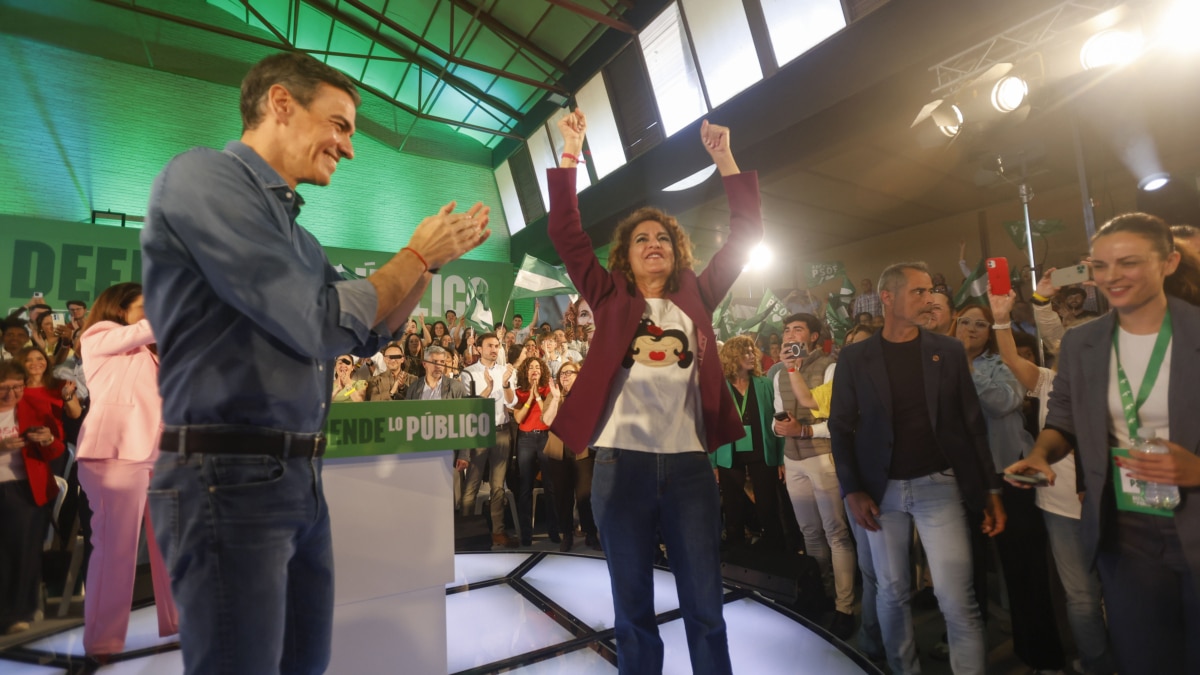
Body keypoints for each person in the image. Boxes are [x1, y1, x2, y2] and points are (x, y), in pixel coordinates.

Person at [140, 51, 489, 675]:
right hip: (228, 475)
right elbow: (312, 318)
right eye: (340, 124)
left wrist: (430, 263)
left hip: (299, 477)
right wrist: (413, 253)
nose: (348, 147)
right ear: (280, 103)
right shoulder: (201, 177)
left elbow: (365, 334)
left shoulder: (300, 240)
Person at [548, 109, 758, 675]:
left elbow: (746, 236)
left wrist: (725, 159)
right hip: (621, 467)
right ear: (626, 253)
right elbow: (566, 234)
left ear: (677, 249)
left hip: (689, 468)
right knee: (632, 608)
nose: (653, 244)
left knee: (705, 607)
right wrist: (571, 151)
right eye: (641, 239)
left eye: (662, 237)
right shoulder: (608, 295)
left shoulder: (699, 294)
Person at [1005, 213, 1200, 675]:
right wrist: (1040, 453)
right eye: (1100, 265)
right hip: (1124, 527)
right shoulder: (1082, 342)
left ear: (1169, 261)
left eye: (1128, 262)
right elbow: (1064, 420)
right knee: (1142, 657)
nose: (1111, 277)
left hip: (1195, 517)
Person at [830, 262, 1005, 675]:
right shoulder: (856, 357)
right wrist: (851, 488)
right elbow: (839, 427)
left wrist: (990, 490)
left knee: (957, 597)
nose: (929, 300)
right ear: (888, 297)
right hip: (880, 491)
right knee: (891, 593)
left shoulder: (948, 350)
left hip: (939, 487)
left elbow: (971, 424)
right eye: (919, 292)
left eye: (931, 292)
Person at [988, 290, 1117, 675]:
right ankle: (1097, 665)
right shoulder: (1045, 381)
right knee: (1081, 597)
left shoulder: (1116, 388)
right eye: (1068, 343)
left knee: (1124, 593)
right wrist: (1000, 318)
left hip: (1110, 502)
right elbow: (1010, 358)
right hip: (1061, 508)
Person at [953, 303, 1065, 672]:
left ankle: (1042, 655)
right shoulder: (939, 367)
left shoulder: (1002, 363)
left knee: (1024, 567)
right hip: (964, 477)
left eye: (979, 324)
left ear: (990, 332)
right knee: (967, 571)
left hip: (1010, 473)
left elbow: (1006, 402)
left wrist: (968, 368)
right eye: (964, 322)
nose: (970, 329)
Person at [74, 283, 178, 659]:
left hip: (158, 457)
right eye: (144, 305)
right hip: (113, 456)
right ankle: (103, 641)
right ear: (119, 309)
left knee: (172, 545)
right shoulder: (99, 336)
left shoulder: (149, 354)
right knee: (116, 550)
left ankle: (178, 621)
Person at [772, 314, 856, 640]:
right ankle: (819, 594)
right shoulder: (779, 373)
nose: (790, 335)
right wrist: (778, 427)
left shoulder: (831, 367)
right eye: (787, 330)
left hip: (824, 458)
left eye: (798, 330)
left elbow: (839, 421)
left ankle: (844, 606)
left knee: (836, 532)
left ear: (814, 337)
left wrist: (803, 430)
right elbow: (777, 417)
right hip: (793, 460)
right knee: (809, 533)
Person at [0, 360, 64, 635]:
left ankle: (17, 613)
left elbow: (56, 451)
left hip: (24, 487)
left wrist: (47, 440)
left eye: (17, 387)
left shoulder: (35, 408)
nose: (11, 394)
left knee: (23, 552)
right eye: (3, 388)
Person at [710, 336, 785, 552]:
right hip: (729, 454)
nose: (752, 356)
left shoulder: (765, 384)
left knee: (767, 506)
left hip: (763, 452)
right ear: (733, 357)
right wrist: (713, 462)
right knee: (733, 509)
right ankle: (736, 554)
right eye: (746, 352)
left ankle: (776, 553)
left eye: (752, 352)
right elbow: (712, 427)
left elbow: (776, 421)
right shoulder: (719, 388)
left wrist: (781, 458)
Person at [459, 334, 517, 548]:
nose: (494, 349)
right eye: (490, 346)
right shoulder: (469, 373)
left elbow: (513, 402)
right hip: (478, 433)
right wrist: (489, 388)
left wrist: (505, 384)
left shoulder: (506, 370)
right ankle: (464, 533)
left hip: (501, 431)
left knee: (498, 487)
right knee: (471, 484)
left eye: (497, 346)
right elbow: (468, 406)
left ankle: (498, 532)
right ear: (479, 348)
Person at [539, 361, 598, 551]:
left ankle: (590, 533)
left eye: (569, 372)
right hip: (559, 452)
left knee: (585, 496)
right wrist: (556, 399)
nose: (564, 376)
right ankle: (567, 535)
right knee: (563, 496)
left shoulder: (587, 395)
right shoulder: (553, 395)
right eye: (562, 373)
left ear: (579, 375)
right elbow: (547, 421)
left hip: (582, 452)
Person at [509, 356, 561, 546]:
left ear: (542, 371)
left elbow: (548, 416)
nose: (534, 370)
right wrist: (530, 398)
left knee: (550, 485)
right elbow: (519, 418)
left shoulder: (549, 391)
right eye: (531, 367)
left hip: (546, 437)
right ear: (525, 372)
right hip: (526, 439)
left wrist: (538, 396)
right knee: (525, 487)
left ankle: (554, 530)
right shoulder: (518, 393)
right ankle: (526, 533)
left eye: (537, 367)